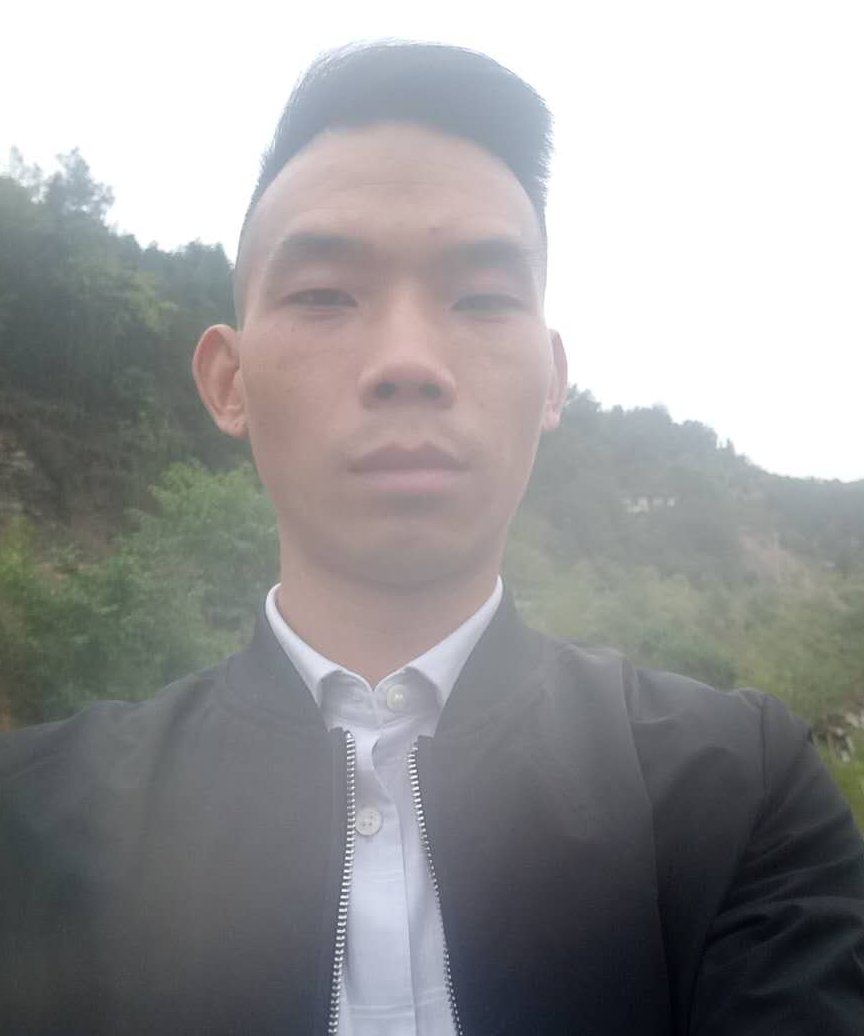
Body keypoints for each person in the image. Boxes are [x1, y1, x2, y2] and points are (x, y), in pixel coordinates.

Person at [1, 41, 863, 1036]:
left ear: (551, 381)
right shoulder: (33, 817)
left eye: (483, 298)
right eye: (325, 294)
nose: (407, 361)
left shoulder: (739, 787)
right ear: (229, 382)